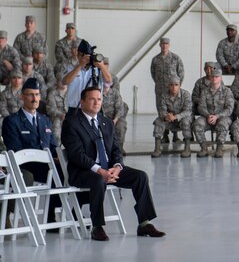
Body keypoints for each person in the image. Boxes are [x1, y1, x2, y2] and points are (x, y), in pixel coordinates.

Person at [62, 86, 165, 241]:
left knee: (140, 176)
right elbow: (76, 155)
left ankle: (144, 223)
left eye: (99, 99)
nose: (97, 102)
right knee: (98, 179)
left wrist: (117, 167)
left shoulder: (106, 122)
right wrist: (99, 170)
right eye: (92, 99)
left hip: (109, 169)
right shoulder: (72, 123)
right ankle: (97, 227)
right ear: (82, 102)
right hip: (84, 171)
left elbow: (116, 149)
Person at [2, 78, 64, 229]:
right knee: (57, 172)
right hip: (26, 165)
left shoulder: (45, 120)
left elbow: (53, 146)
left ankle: (52, 214)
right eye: (30, 95)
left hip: (46, 165)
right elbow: (15, 150)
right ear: (21, 97)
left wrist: (60, 157)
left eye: (37, 94)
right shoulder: (12, 121)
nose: (34, 98)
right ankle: (48, 215)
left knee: (66, 171)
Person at [193, 68, 234, 158]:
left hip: (222, 117)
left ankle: (219, 148)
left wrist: (217, 116)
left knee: (223, 123)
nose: (214, 78)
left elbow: (229, 109)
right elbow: (201, 107)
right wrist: (208, 115)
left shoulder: (227, 91)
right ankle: (203, 148)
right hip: (207, 117)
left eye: (217, 76)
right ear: (210, 78)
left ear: (220, 78)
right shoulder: (205, 91)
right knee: (197, 123)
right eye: (213, 77)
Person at [62, 39, 112, 112]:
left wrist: (102, 66)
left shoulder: (97, 69)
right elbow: (65, 81)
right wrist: (80, 65)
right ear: (78, 55)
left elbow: (108, 80)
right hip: (75, 108)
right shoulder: (71, 68)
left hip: (93, 108)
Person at [153, 77, 193, 158]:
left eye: (176, 85)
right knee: (158, 121)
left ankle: (187, 148)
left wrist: (176, 116)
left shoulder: (186, 94)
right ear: (168, 85)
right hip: (170, 119)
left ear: (180, 85)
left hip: (183, 118)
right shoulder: (164, 95)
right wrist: (166, 116)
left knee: (185, 122)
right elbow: (161, 110)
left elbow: (188, 111)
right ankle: (157, 149)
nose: (174, 87)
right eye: (171, 85)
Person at [150, 37, 185, 121]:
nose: (164, 46)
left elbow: (181, 74)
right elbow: (153, 73)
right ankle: (164, 129)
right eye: (163, 44)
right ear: (160, 45)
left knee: (174, 109)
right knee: (161, 109)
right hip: (160, 90)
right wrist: (159, 83)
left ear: (169, 45)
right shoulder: (155, 59)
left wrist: (176, 87)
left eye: (166, 44)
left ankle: (174, 131)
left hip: (172, 90)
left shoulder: (175, 58)